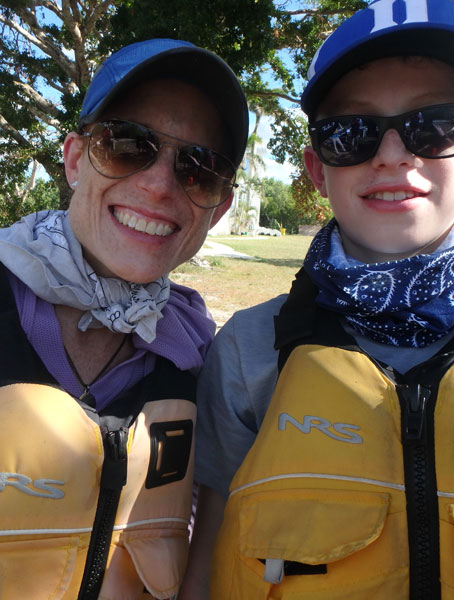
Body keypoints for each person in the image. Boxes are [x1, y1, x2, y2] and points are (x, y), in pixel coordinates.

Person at [182, 0, 454, 598]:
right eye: (351, 133)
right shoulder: (249, 352)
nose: (392, 154)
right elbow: (208, 557)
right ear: (318, 170)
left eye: (437, 125)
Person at [0, 38, 248, 599]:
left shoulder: (198, 354)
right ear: (74, 159)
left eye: (199, 168)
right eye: (127, 145)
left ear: (218, 208)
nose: (159, 186)